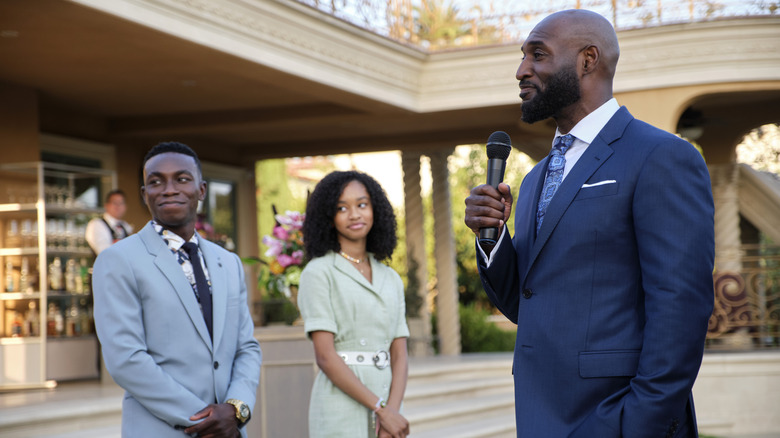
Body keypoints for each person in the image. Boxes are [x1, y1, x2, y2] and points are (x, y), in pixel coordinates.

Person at [464, 9, 714, 438]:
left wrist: (635, 423)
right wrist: (492, 237)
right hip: (542, 416)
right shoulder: (536, 177)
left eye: (537, 55)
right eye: (524, 57)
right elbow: (530, 301)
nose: (522, 70)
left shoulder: (661, 157)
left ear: (588, 59)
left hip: (617, 418)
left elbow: (680, 308)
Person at [92, 141, 261, 438]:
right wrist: (205, 419)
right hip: (161, 430)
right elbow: (126, 359)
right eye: (156, 182)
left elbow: (246, 347)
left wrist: (236, 409)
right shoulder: (118, 260)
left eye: (182, 179)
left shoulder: (229, 262)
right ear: (145, 195)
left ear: (201, 190)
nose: (169, 189)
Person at [297, 170, 411, 438]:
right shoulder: (319, 272)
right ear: (329, 216)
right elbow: (325, 356)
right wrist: (381, 410)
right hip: (340, 405)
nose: (355, 214)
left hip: (389, 404)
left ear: (375, 209)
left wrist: (392, 413)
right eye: (342, 208)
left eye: (362, 204)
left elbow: (400, 354)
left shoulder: (390, 277)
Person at [85, 189, 132, 255]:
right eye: (115, 203)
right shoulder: (96, 225)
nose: (118, 206)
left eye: (121, 203)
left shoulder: (125, 226)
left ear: (125, 207)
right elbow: (104, 252)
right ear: (106, 205)